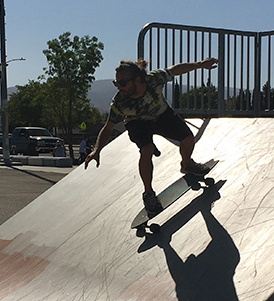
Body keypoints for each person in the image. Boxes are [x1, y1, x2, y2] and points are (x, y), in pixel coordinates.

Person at [85, 57, 219, 214]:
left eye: (123, 83)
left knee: (188, 139)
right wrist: (97, 150)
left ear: (138, 80)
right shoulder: (120, 103)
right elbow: (107, 128)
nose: (120, 88)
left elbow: (174, 70)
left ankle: (187, 164)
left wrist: (199, 65)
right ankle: (148, 193)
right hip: (137, 123)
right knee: (146, 150)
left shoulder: (154, 79)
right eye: (117, 84)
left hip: (162, 115)